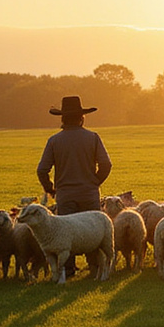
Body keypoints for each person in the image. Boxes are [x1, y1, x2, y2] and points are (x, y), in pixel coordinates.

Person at [37, 95, 112, 277]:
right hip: (89, 194)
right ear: (81, 117)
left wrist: (50, 189)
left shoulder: (54, 141)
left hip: (65, 195)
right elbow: (106, 165)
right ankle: (94, 268)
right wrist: (94, 181)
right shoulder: (93, 138)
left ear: (62, 119)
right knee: (92, 232)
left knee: (64, 234)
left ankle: (67, 270)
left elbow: (42, 169)